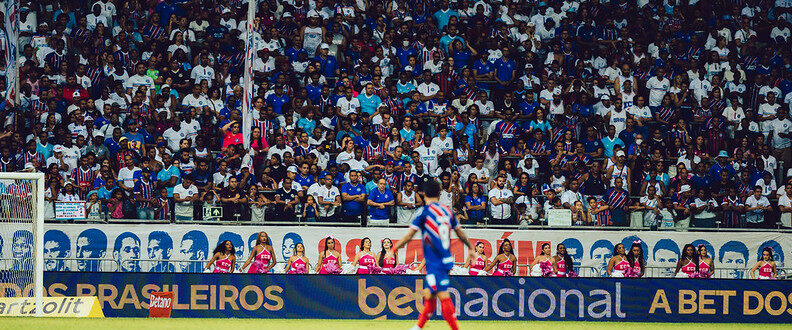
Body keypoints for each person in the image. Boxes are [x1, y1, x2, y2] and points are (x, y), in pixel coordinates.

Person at [392, 179, 472, 330]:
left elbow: (410, 235)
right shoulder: (448, 210)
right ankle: (418, 327)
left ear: (422, 193)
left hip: (436, 261)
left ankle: (455, 328)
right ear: (440, 193)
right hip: (444, 259)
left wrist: (394, 249)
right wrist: (471, 248)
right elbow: (460, 233)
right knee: (430, 294)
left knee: (442, 294)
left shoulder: (424, 211)